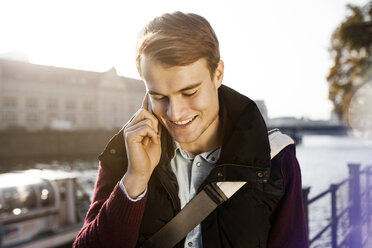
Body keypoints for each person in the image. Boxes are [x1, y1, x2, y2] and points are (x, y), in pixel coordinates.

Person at [73, 11, 308, 248]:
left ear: (218, 74)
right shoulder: (124, 156)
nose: (175, 113)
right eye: (159, 96)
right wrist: (136, 179)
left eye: (190, 92)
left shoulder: (275, 160)